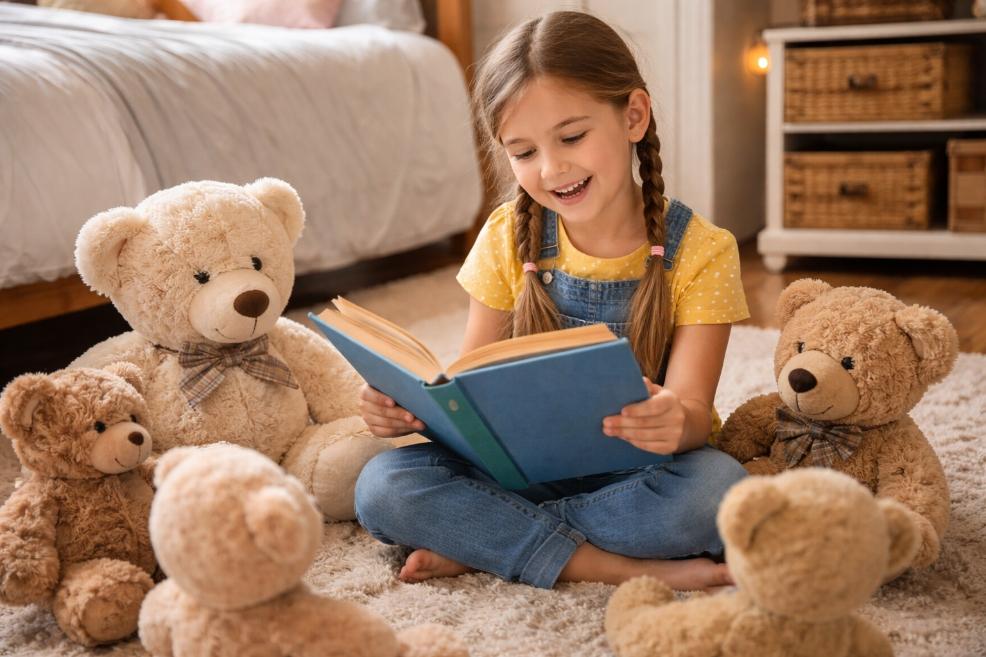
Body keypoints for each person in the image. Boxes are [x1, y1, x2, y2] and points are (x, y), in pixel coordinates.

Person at [354, 11, 750, 592]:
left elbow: (692, 415)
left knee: (716, 495)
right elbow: (467, 386)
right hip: (520, 473)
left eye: (571, 137)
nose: (551, 168)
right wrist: (411, 410)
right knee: (382, 487)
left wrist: (674, 420)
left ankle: (489, 542)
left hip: (640, 475)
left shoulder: (704, 249)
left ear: (633, 116)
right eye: (523, 151)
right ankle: (607, 564)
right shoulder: (503, 237)